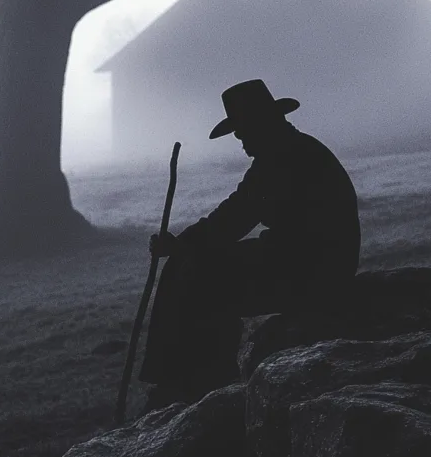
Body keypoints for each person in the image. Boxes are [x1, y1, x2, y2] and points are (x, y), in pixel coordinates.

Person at [138, 79, 361, 410]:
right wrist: (185, 244)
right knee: (192, 264)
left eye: (243, 130)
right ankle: (182, 377)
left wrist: (182, 245)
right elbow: (235, 212)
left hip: (309, 269)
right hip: (305, 261)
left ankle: (195, 380)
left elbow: (234, 219)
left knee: (199, 274)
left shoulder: (283, 158)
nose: (240, 140)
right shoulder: (288, 151)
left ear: (262, 123)